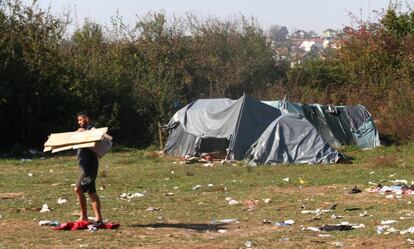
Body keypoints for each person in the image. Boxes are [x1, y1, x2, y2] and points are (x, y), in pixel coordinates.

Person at [74, 112, 103, 225]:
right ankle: (99, 218)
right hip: (84, 167)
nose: (79, 122)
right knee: (92, 192)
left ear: (86, 119)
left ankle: (84, 216)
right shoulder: (82, 131)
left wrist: (85, 132)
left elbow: (97, 136)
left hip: (89, 167)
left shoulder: (92, 129)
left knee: (78, 188)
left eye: (80, 120)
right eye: (78, 120)